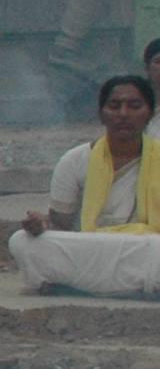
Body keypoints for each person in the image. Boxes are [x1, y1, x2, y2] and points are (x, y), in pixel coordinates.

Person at [8, 74, 160, 298]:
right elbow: (60, 225)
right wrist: (40, 225)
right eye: (114, 106)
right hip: (90, 247)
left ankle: (76, 287)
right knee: (22, 241)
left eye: (134, 106)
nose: (123, 114)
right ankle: (139, 288)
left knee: (154, 248)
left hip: (146, 248)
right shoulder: (75, 160)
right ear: (101, 114)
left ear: (150, 114)